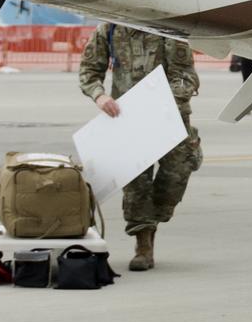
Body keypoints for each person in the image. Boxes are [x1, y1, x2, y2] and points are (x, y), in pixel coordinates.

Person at [80, 24, 202, 272]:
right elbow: (89, 70)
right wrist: (100, 96)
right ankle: (143, 245)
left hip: (170, 117)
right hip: (128, 119)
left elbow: (186, 76)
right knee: (136, 184)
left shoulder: (167, 30)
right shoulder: (110, 29)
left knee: (177, 174)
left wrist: (161, 103)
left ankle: (152, 218)